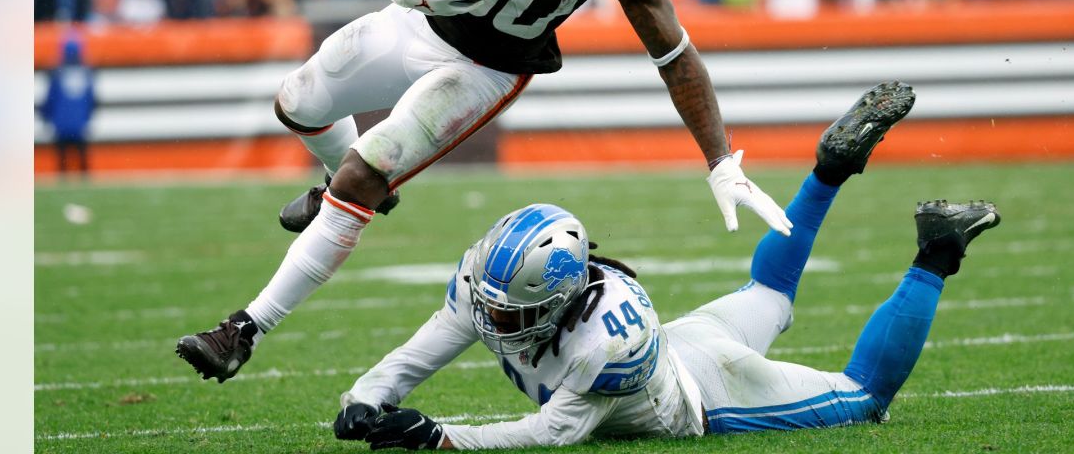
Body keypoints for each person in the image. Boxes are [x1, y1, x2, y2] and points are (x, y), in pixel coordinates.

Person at [177, 0, 787, 382]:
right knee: (297, 102)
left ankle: (244, 330)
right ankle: (335, 184)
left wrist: (719, 161)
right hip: (420, 20)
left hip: (488, 68)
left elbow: (674, 54)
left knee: (368, 171)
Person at [326, 82, 1002, 449]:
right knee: (770, 287)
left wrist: (438, 438)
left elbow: (550, 431)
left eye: (512, 311)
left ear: (556, 301)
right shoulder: (492, 280)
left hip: (715, 396)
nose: (493, 318)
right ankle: (827, 170)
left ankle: (937, 250)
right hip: (686, 343)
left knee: (864, 398)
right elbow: (427, 347)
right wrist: (367, 398)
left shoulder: (604, 346)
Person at [40, 37, 97, 177]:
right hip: (80, 125)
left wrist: (45, 116)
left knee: (62, 163)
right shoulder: (87, 72)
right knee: (83, 161)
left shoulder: (56, 73)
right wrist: (87, 118)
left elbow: (50, 98)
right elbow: (92, 100)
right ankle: (86, 183)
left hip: (61, 124)